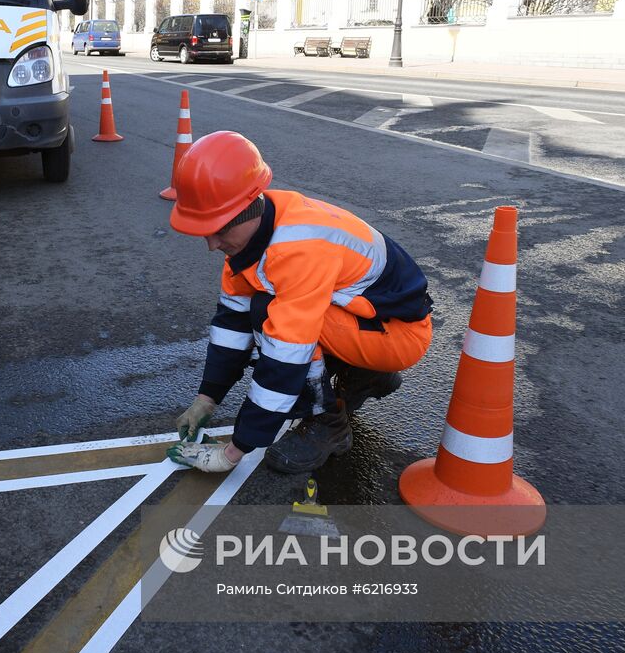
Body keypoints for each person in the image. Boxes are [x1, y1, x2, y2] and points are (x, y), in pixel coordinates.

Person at [166, 131, 434, 475]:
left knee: (271, 317)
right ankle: (365, 375)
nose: (211, 244)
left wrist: (236, 450)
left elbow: (284, 355)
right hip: (371, 321)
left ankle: (328, 425)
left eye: (217, 229)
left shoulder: (297, 249)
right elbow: (231, 325)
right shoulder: (258, 227)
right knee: (268, 313)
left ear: (246, 209)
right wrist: (207, 398)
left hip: (399, 336)